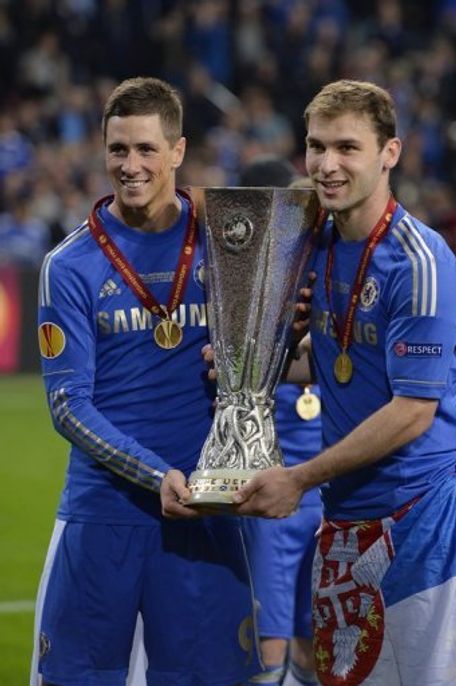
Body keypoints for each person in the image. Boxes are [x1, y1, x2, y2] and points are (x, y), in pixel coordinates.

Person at [224, 80, 456, 685]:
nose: (327, 164)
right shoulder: (316, 247)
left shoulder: (419, 262)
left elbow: (411, 411)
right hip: (346, 527)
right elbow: (330, 362)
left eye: (347, 147)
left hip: (421, 527)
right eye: (316, 146)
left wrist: (298, 477)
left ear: (389, 154)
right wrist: (242, 371)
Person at [31, 76, 260, 686]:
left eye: (146, 150)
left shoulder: (229, 248)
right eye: (117, 150)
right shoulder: (69, 265)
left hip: (207, 508)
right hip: (103, 514)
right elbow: (67, 405)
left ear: (178, 151)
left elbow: (260, 360)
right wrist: (156, 476)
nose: (130, 166)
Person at [239, 156, 322, 686]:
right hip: (270, 491)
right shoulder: (250, 293)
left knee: (320, 638)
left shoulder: (335, 284)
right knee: (269, 647)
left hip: (327, 493)